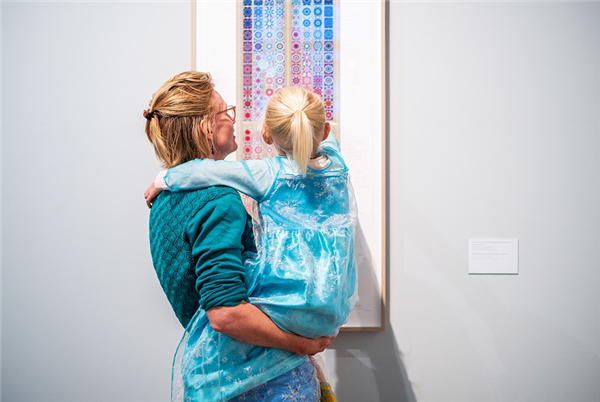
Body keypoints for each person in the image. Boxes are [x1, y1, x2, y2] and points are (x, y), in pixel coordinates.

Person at [145, 85, 357, 401]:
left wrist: (163, 179)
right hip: (264, 377)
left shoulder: (164, 205)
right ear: (206, 127)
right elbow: (226, 313)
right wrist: (303, 344)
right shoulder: (219, 203)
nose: (233, 118)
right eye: (226, 111)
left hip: (227, 371)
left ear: (267, 133)